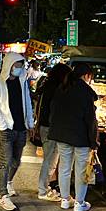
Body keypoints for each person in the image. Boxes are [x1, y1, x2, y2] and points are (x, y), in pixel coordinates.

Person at [48, 63, 98, 211]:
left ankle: (65, 200)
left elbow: (53, 111)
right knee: (80, 170)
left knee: (64, 167)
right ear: (87, 76)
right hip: (80, 136)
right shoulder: (85, 92)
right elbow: (90, 120)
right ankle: (79, 203)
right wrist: (93, 141)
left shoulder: (62, 87)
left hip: (62, 135)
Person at [0, 53, 34, 211]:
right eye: (16, 65)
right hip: (5, 130)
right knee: (4, 163)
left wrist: (29, 122)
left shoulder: (22, 82)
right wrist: (2, 125)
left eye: (21, 65)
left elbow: (27, 101)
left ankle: (8, 182)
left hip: (21, 128)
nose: (19, 69)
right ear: (9, 65)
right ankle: (3, 195)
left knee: (16, 161)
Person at [34, 63, 72, 202]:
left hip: (45, 126)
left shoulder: (47, 85)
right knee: (50, 161)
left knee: (50, 160)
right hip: (51, 128)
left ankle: (44, 187)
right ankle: (43, 190)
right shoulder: (56, 89)